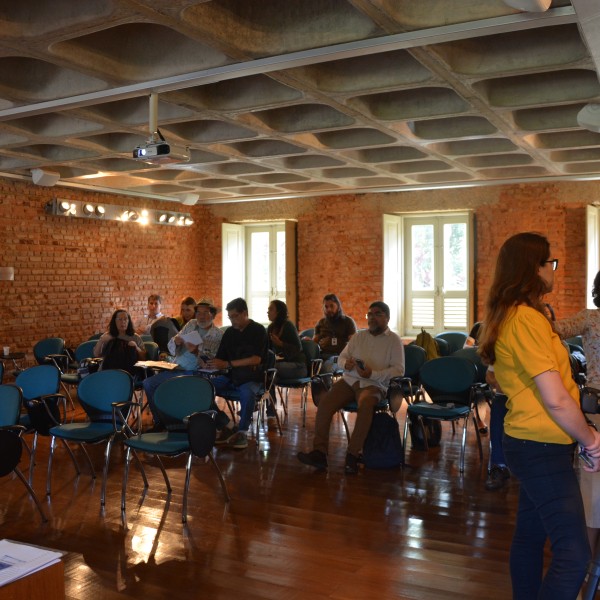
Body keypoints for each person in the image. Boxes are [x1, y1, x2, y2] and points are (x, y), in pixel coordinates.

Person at [478, 232, 600, 598]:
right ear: (532, 268)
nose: (554, 270)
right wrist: (591, 439)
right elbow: (556, 399)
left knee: (530, 536)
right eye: (550, 263)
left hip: (536, 440)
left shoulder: (518, 316)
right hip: (539, 446)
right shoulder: (525, 320)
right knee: (574, 554)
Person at [297, 301, 404, 474]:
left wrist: (373, 374)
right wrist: (345, 364)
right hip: (350, 381)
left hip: (374, 384)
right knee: (325, 404)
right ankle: (319, 453)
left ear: (387, 318)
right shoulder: (358, 337)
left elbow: (399, 370)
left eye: (377, 314)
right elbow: (341, 357)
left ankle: (353, 454)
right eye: (370, 314)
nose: (372, 318)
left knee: (366, 404)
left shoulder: (394, 340)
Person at [555, 269, 600, 556]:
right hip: (597, 408)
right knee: (593, 487)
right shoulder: (590, 317)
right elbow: (554, 331)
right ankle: (587, 561)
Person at [143, 298, 223, 430]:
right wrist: (176, 341)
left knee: (175, 386)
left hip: (196, 372)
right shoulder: (191, 324)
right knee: (148, 383)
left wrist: (197, 351)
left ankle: (179, 422)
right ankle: (160, 421)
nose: (201, 316)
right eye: (198, 313)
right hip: (177, 367)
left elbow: (212, 360)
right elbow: (172, 344)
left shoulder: (218, 334)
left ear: (213, 315)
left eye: (205, 313)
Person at [207, 298, 267, 450]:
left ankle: (242, 431)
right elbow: (221, 357)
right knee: (203, 388)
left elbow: (256, 359)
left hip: (251, 377)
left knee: (247, 393)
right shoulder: (229, 333)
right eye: (230, 317)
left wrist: (228, 364)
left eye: (235, 316)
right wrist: (207, 361)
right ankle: (227, 424)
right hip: (231, 376)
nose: (232, 320)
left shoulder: (258, 330)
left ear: (245, 313)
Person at [267, 300, 307, 417]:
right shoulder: (270, 328)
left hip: (298, 366)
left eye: (271, 309)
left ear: (278, 312)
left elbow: (297, 348)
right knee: (266, 371)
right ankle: (269, 406)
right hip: (281, 366)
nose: (267, 312)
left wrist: (280, 344)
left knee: (271, 369)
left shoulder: (288, 326)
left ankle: (269, 405)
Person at [93, 309, 146, 376]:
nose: (123, 322)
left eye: (125, 319)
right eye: (120, 319)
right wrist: (102, 340)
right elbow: (96, 354)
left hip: (129, 371)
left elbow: (143, 358)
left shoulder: (135, 337)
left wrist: (136, 347)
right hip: (108, 370)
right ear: (114, 321)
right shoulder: (107, 336)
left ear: (129, 321)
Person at [312, 294, 357, 373]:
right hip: (322, 355)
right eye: (326, 307)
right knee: (310, 363)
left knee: (327, 367)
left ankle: (326, 385)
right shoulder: (321, 323)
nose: (329, 309)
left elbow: (354, 344)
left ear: (338, 306)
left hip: (339, 357)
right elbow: (314, 342)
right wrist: (308, 341)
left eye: (332, 306)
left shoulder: (348, 322)